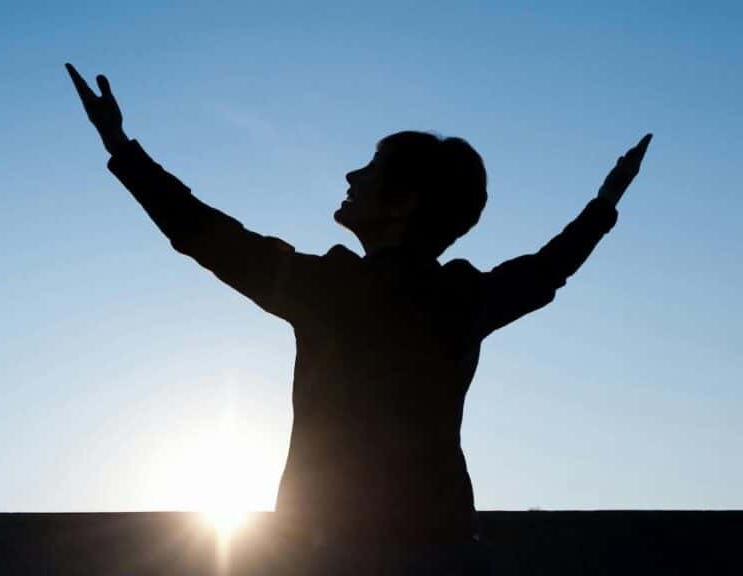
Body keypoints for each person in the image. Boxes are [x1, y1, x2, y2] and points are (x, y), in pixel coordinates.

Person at [65, 63, 651, 574]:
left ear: (403, 203)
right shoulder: (461, 298)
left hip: (329, 552)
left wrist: (120, 145)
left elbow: (204, 233)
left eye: (370, 170)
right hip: (438, 545)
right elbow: (550, 267)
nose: (351, 178)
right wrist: (604, 204)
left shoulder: (329, 290)